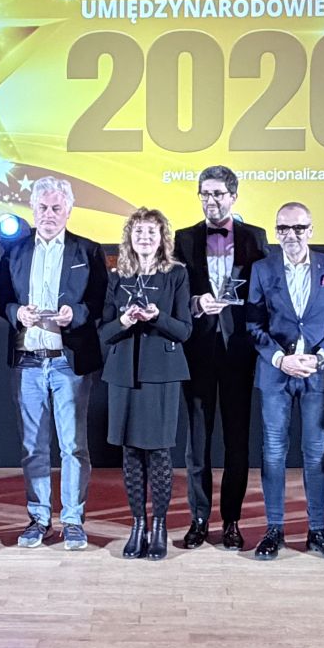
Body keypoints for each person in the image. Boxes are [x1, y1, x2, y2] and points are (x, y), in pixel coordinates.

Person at [0, 177, 108, 551]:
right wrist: (17, 313)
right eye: (42, 207)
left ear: (69, 211)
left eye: (56, 208)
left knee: (73, 446)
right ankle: (39, 518)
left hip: (68, 363)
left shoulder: (87, 251)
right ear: (32, 209)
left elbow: (100, 302)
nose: (49, 214)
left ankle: (72, 520)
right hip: (27, 361)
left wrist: (74, 313)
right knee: (33, 447)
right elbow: (1, 300)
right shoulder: (15, 251)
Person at [245, 202, 324, 560]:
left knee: (315, 453)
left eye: (298, 228)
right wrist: (280, 359)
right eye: (283, 228)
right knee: (274, 452)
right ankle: (274, 530)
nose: (291, 235)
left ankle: (318, 530)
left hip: (318, 374)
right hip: (276, 373)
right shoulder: (262, 269)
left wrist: (320, 357)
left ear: (311, 230)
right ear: (276, 232)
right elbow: (252, 324)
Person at [173, 165, 268, 549]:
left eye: (218, 193)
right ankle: (198, 519)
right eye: (205, 193)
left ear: (233, 196)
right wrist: (196, 303)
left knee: (236, 442)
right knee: (197, 442)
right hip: (197, 350)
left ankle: (231, 520)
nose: (211, 200)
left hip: (239, 352)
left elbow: (264, 290)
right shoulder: (184, 238)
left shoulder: (254, 237)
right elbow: (175, 291)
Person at [101, 207, 192, 560]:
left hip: (162, 374)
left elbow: (184, 330)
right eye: (138, 231)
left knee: (158, 453)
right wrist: (124, 321)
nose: (144, 237)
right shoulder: (118, 276)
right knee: (130, 453)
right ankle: (137, 524)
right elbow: (103, 331)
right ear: (129, 237)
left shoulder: (176, 275)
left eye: (151, 232)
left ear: (162, 238)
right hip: (123, 374)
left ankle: (159, 526)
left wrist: (157, 317)